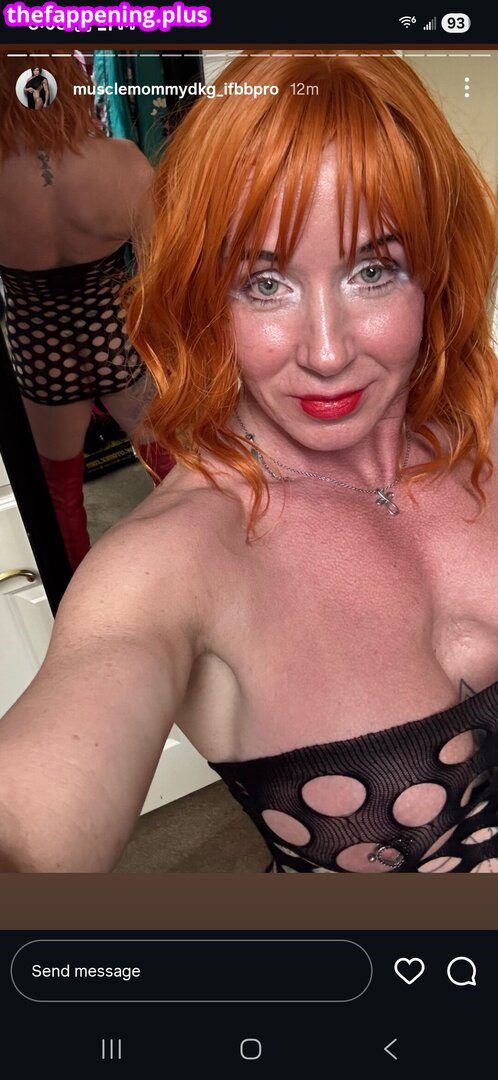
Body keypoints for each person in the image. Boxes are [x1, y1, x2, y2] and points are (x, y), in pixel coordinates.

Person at [0, 51, 496, 874]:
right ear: (203, 292)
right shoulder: (167, 566)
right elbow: (32, 814)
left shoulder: (480, 429)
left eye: (374, 270)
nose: (327, 352)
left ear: (434, 273)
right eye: (265, 283)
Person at [0, 53, 174, 570]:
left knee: (59, 498)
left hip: (38, 355)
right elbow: (162, 274)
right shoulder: (122, 162)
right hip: (117, 342)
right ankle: (193, 564)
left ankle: (76, 595)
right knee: (174, 471)